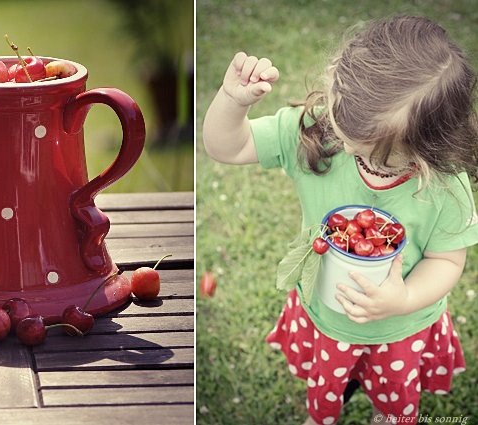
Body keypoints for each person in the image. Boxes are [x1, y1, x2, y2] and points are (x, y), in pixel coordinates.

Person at [202, 15, 478, 425]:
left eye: (376, 160)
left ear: (431, 151)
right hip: (326, 316)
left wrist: (401, 300)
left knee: (395, 399)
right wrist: (232, 100)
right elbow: (228, 147)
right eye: (346, 134)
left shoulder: (445, 186)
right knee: (330, 383)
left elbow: (447, 261)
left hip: (400, 329)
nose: (350, 153)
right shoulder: (316, 133)